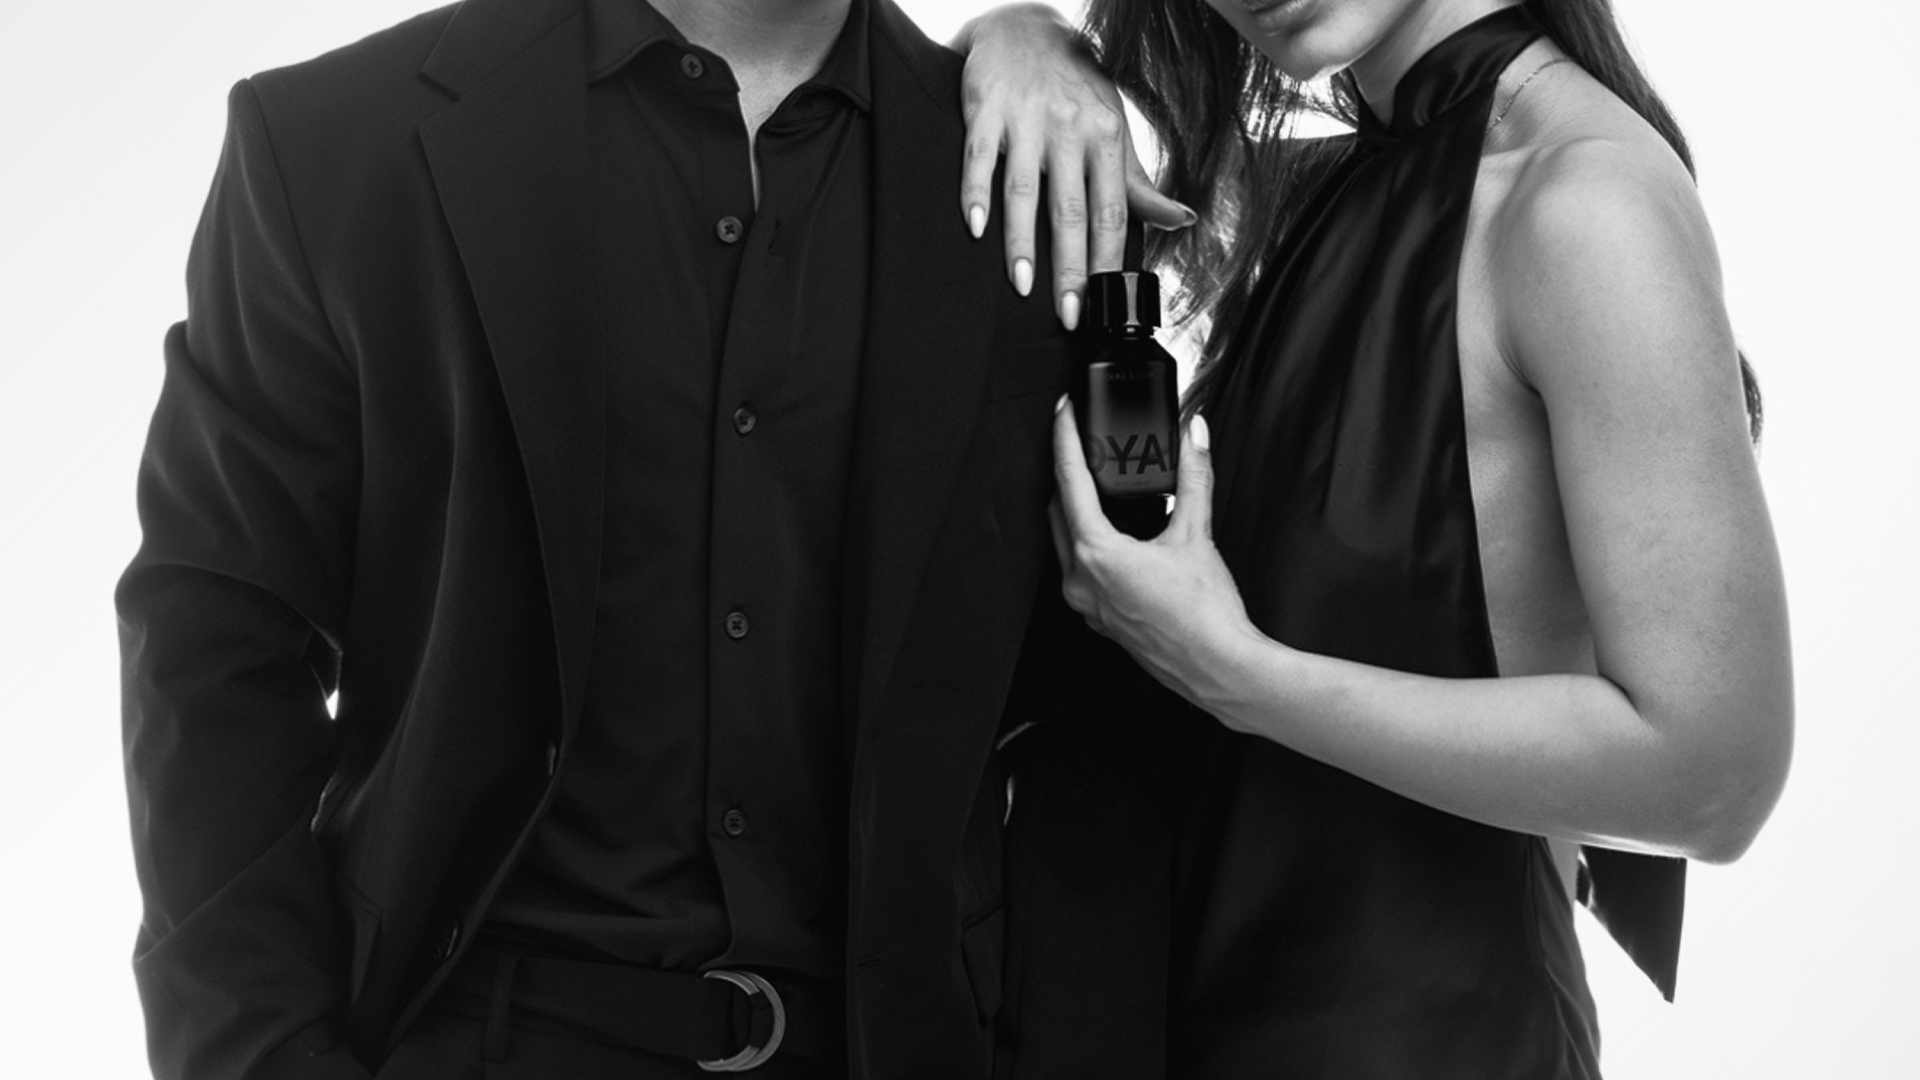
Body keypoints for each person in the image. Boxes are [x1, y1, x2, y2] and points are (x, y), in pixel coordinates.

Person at [115, 0, 1169, 1076]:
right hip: (467, 1035)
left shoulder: (1047, 176)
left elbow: (1102, 700)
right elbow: (212, 644)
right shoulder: (330, 140)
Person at [956, 0, 1793, 1075]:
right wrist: (1020, 36)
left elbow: (1714, 778)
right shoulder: (1353, 183)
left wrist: (1235, 672)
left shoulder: (1580, 199)